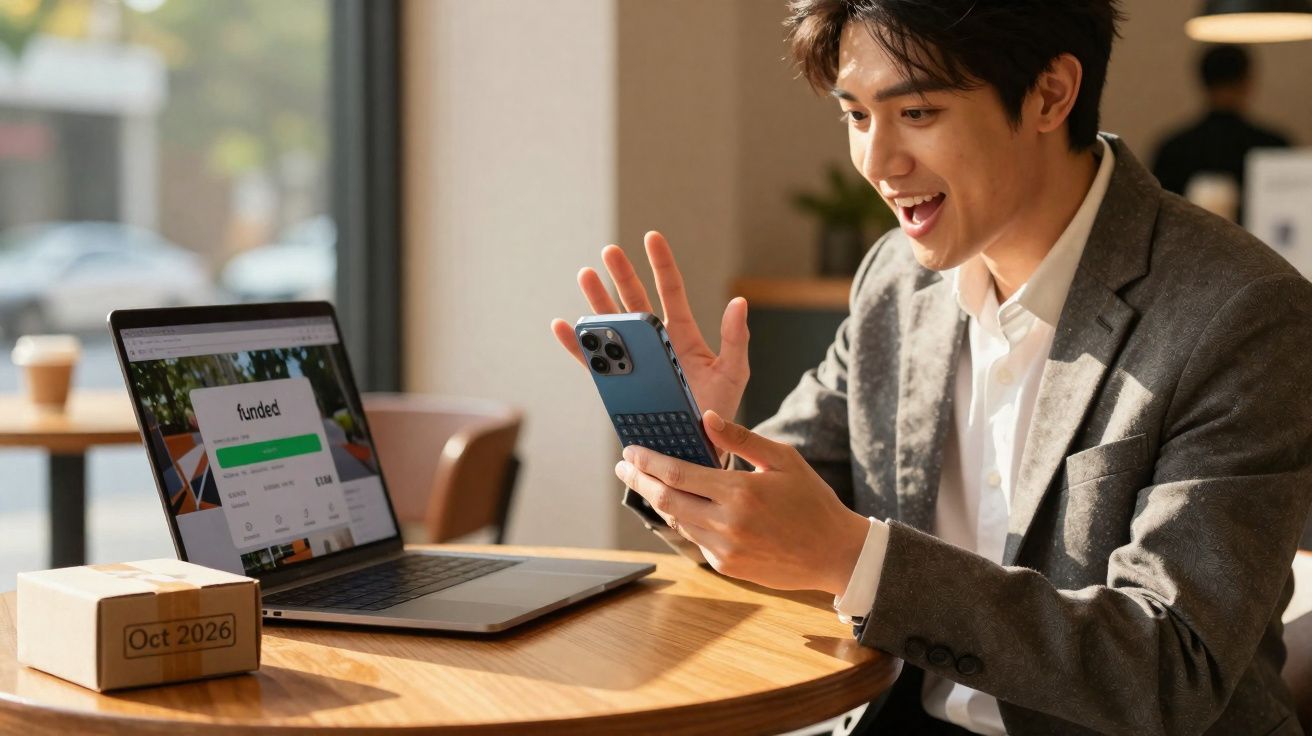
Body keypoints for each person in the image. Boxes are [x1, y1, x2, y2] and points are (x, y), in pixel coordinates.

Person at [550, 1, 1312, 733]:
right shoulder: (897, 282)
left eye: (917, 114)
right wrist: (699, 443)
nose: (877, 162)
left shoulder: (1242, 312)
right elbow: (787, 519)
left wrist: (856, 558)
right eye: (855, 115)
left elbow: (1170, 669)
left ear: (1050, 94)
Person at [1151, 44, 1291, 222]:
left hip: (1186, 247)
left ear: (1202, 81)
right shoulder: (1273, 147)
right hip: (1258, 248)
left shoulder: (1173, 148)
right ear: (1247, 82)